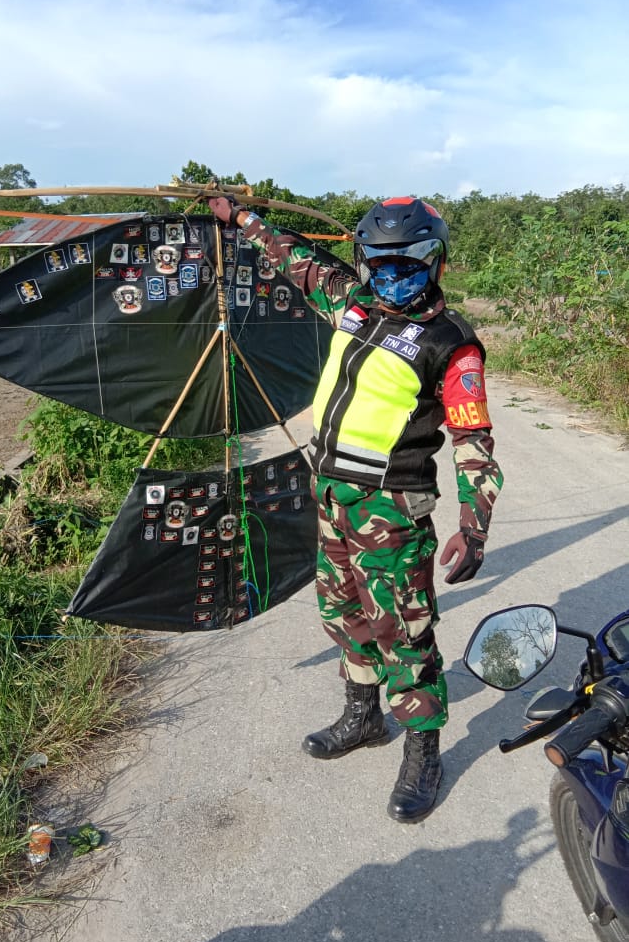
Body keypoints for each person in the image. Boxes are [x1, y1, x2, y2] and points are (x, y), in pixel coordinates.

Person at [206, 193, 503, 823]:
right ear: (364, 264)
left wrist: (473, 529)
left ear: (438, 264)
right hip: (331, 503)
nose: (394, 280)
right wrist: (239, 219)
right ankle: (363, 717)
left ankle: (424, 749)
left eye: (411, 266)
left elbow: (474, 443)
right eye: (380, 266)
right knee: (344, 617)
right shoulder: (350, 304)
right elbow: (294, 260)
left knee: (405, 635)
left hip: (391, 517)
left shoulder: (453, 347)